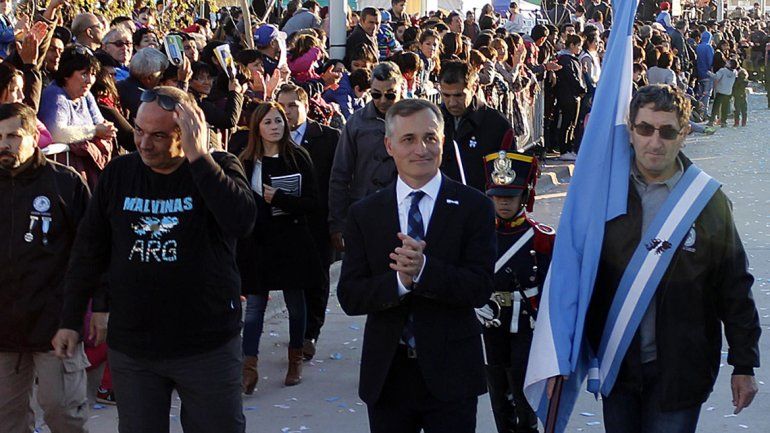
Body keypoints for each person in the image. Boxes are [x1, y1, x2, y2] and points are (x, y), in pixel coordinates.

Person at [52, 86, 257, 433]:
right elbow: (89, 250)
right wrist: (71, 318)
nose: (144, 144)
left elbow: (241, 221)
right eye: (139, 131)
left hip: (205, 345)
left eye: (159, 136)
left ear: (189, 131)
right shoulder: (119, 173)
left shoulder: (218, 166)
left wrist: (199, 156)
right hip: (135, 347)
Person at [579, 84, 761, 433]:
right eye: (645, 129)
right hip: (619, 366)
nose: (654, 142)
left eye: (667, 131)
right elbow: (576, 275)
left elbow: (734, 285)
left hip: (681, 371)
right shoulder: (604, 195)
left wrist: (744, 364)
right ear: (630, 130)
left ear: (684, 134)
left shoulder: (707, 202)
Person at [337, 98, 496, 433]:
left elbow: (480, 287)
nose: (421, 149)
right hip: (388, 377)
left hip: (452, 376)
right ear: (389, 146)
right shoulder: (365, 214)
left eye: (430, 138)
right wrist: (400, 283)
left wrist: (425, 271)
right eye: (408, 139)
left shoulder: (474, 207)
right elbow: (351, 296)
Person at [0, 102, 93, 433]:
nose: (3, 144)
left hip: (55, 326)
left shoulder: (64, 184)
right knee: (7, 422)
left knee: (62, 414)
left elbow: (91, 252)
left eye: (13, 135)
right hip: (4, 331)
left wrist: (95, 310)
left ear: (33, 136)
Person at [231, 101, 323, 392]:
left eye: (279, 121)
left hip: (291, 241)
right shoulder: (245, 160)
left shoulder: (297, 157)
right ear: (257, 127)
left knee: (296, 305)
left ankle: (296, 356)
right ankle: (249, 366)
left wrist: (281, 199)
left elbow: (312, 203)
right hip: (257, 244)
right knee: (255, 307)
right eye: (268, 122)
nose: (274, 127)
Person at [476, 150, 554, 433]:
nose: (503, 202)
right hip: (491, 323)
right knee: (498, 392)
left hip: (526, 325)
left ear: (525, 195)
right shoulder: (478, 235)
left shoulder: (542, 238)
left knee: (524, 393)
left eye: (510, 195)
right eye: (497, 195)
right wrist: (475, 301)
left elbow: (551, 288)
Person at [276, 84, 340, 360]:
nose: (287, 112)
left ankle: (310, 332)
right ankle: (297, 332)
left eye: (292, 105)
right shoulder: (272, 136)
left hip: (318, 220)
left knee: (318, 278)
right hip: (284, 222)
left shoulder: (329, 137)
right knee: (292, 280)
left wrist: (337, 221)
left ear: (305, 105)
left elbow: (338, 181)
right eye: (282, 106)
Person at [328, 61, 403, 252]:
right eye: (376, 94)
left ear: (400, 88)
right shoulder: (356, 122)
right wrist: (337, 222)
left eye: (390, 94)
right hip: (365, 209)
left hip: (402, 209)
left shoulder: (412, 118)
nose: (383, 100)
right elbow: (340, 174)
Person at [38, 45, 117, 190]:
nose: (89, 80)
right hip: (65, 179)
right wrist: (94, 131)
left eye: (93, 74)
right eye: (84, 74)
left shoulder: (86, 96)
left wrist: (104, 130)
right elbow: (56, 133)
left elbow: (102, 125)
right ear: (67, 74)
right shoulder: (55, 95)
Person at [438, 60, 512, 192]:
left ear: (474, 88)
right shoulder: (433, 120)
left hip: (481, 203)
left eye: (459, 95)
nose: (452, 103)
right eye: (446, 95)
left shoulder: (497, 124)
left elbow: (507, 174)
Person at [554, 34, 586, 161]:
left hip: (574, 95)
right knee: (567, 123)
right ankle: (564, 149)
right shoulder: (565, 59)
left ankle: (568, 148)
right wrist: (581, 89)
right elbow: (571, 77)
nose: (579, 49)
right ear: (571, 45)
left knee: (572, 123)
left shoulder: (572, 59)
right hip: (567, 95)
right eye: (578, 46)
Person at [709, 59, 736, 127]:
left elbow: (716, 77)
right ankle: (723, 122)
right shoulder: (734, 72)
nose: (726, 62)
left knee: (716, 106)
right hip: (728, 92)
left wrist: (708, 73)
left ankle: (711, 121)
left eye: (728, 62)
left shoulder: (722, 70)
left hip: (720, 91)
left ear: (729, 64)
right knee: (725, 107)